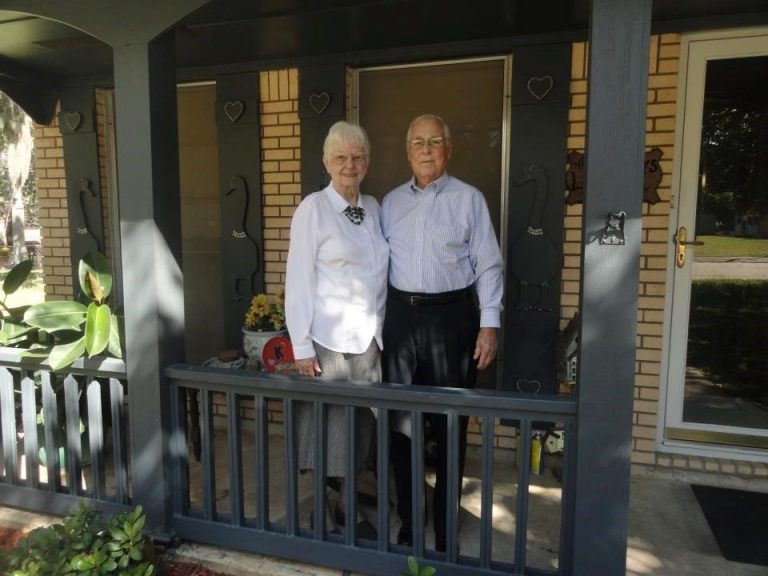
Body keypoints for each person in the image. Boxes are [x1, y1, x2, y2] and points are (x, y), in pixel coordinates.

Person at [381, 113, 504, 552]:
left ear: (448, 149)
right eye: (418, 142)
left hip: (453, 319)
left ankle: (446, 524)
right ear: (407, 151)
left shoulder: (470, 200)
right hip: (400, 319)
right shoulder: (390, 204)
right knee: (401, 426)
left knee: (450, 423)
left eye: (435, 141)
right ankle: (412, 519)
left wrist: (489, 323)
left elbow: (488, 263)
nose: (427, 149)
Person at [285, 120, 388, 535]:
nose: (350, 164)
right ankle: (321, 510)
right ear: (326, 161)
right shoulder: (313, 209)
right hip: (326, 340)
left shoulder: (375, 208)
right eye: (341, 157)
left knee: (360, 429)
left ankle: (348, 505)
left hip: (368, 340)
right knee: (324, 429)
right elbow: (298, 279)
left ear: (367, 162)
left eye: (358, 156)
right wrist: (301, 345)